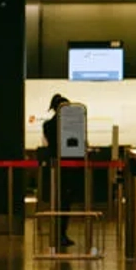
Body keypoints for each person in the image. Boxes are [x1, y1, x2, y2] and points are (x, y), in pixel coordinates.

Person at [43, 94, 77, 248]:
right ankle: (61, 234)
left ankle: (58, 234)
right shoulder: (68, 125)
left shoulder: (47, 125)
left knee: (57, 202)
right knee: (64, 202)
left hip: (53, 168)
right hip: (66, 168)